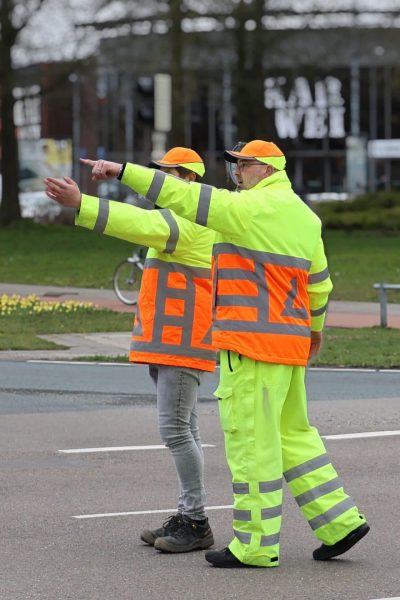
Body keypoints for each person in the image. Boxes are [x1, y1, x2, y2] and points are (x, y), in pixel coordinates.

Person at [45, 139, 370, 569]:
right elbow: (320, 284)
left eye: (242, 167)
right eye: (233, 168)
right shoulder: (305, 218)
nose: (236, 174)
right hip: (288, 347)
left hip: (250, 345)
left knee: (252, 444)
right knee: (295, 438)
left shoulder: (245, 210)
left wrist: (122, 171)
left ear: (266, 169)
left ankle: (255, 545)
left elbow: (181, 198)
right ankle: (340, 522)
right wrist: (314, 332)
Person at [45, 147, 216, 554]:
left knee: (176, 430)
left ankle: (195, 520)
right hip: (171, 344)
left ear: (190, 180)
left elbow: (134, 221)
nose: (159, 180)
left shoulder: (188, 220)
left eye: (168, 174)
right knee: (184, 429)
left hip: (182, 345)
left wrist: (82, 204)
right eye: (157, 173)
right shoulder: (178, 219)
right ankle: (188, 514)